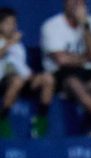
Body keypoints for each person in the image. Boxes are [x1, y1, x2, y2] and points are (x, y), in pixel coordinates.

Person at [40, 0, 91, 136]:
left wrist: (85, 26)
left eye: (80, 2)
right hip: (60, 73)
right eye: (73, 2)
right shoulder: (51, 26)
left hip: (89, 71)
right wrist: (87, 57)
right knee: (74, 83)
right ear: (65, 3)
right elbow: (61, 60)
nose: (76, 5)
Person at [0, 7, 54, 138]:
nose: (13, 27)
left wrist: (33, 77)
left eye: (14, 23)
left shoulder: (18, 46)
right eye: (8, 23)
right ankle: (2, 118)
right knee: (17, 80)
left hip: (19, 82)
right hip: (3, 81)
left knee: (48, 79)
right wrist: (9, 43)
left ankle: (40, 121)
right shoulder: (11, 43)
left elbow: (20, 67)